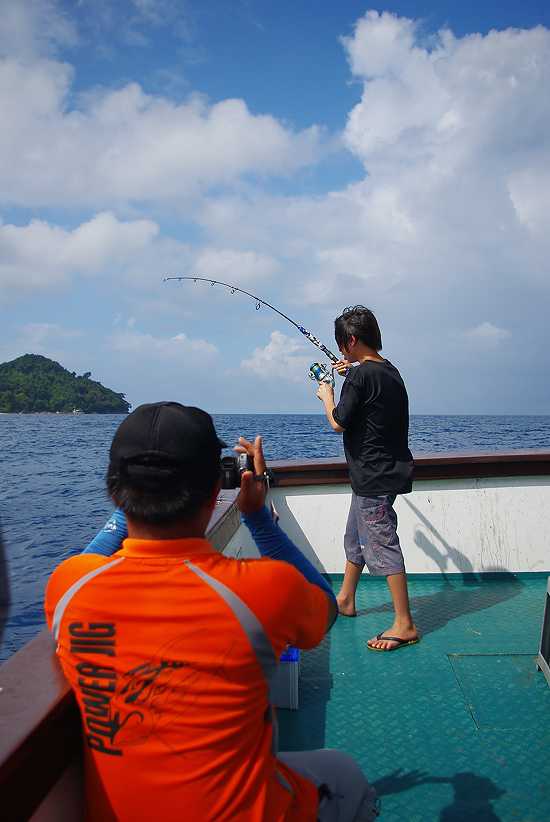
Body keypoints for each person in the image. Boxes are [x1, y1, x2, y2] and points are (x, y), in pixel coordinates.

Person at [45, 401, 380, 822]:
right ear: (215, 491)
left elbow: (95, 556)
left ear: (114, 490)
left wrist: (132, 499)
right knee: (345, 773)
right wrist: (257, 517)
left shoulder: (68, 586)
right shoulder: (265, 590)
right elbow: (326, 607)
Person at [316, 306, 419, 652]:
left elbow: (338, 422)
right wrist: (350, 374)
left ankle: (404, 623)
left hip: (372, 477)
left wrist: (327, 394)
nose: (340, 352)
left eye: (341, 345)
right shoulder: (388, 372)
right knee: (355, 536)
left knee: (381, 541)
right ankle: (345, 599)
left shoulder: (359, 377)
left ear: (351, 341)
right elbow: (369, 401)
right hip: (383, 473)